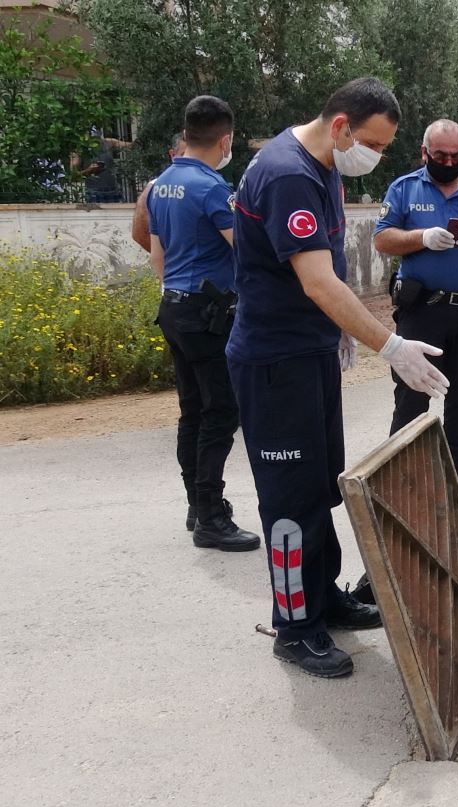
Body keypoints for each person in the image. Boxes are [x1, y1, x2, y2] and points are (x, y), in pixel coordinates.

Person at [227, 77, 449, 678]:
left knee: (320, 483)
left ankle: (322, 596)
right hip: (276, 362)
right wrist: (390, 344)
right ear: (341, 126)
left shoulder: (322, 164)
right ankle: (294, 626)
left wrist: (343, 337)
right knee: (290, 501)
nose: (373, 158)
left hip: (309, 354)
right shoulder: (289, 174)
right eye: (372, 144)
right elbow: (318, 282)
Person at [374, 119, 458, 500]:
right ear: (425, 153)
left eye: (456, 156)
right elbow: (383, 238)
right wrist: (421, 237)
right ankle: (401, 474)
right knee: (411, 392)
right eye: (440, 156)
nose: (449, 162)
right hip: (423, 310)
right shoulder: (405, 188)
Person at [148, 97, 257, 552]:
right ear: (225, 139)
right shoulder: (213, 188)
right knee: (222, 412)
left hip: (173, 307)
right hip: (208, 314)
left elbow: (158, 258)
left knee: (193, 409)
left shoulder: (160, 184)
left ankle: (197, 504)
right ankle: (211, 515)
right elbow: (246, 251)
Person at [133, 133, 187, 253]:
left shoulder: (206, 183)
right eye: (184, 155)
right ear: (173, 154)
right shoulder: (155, 186)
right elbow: (139, 233)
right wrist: (166, 258)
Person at [79, 128, 129, 203]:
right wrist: (89, 170)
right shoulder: (81, 148)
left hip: (113, 190)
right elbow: (73, 175)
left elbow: (128, 145)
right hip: (94, 191)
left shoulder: (107, 142)